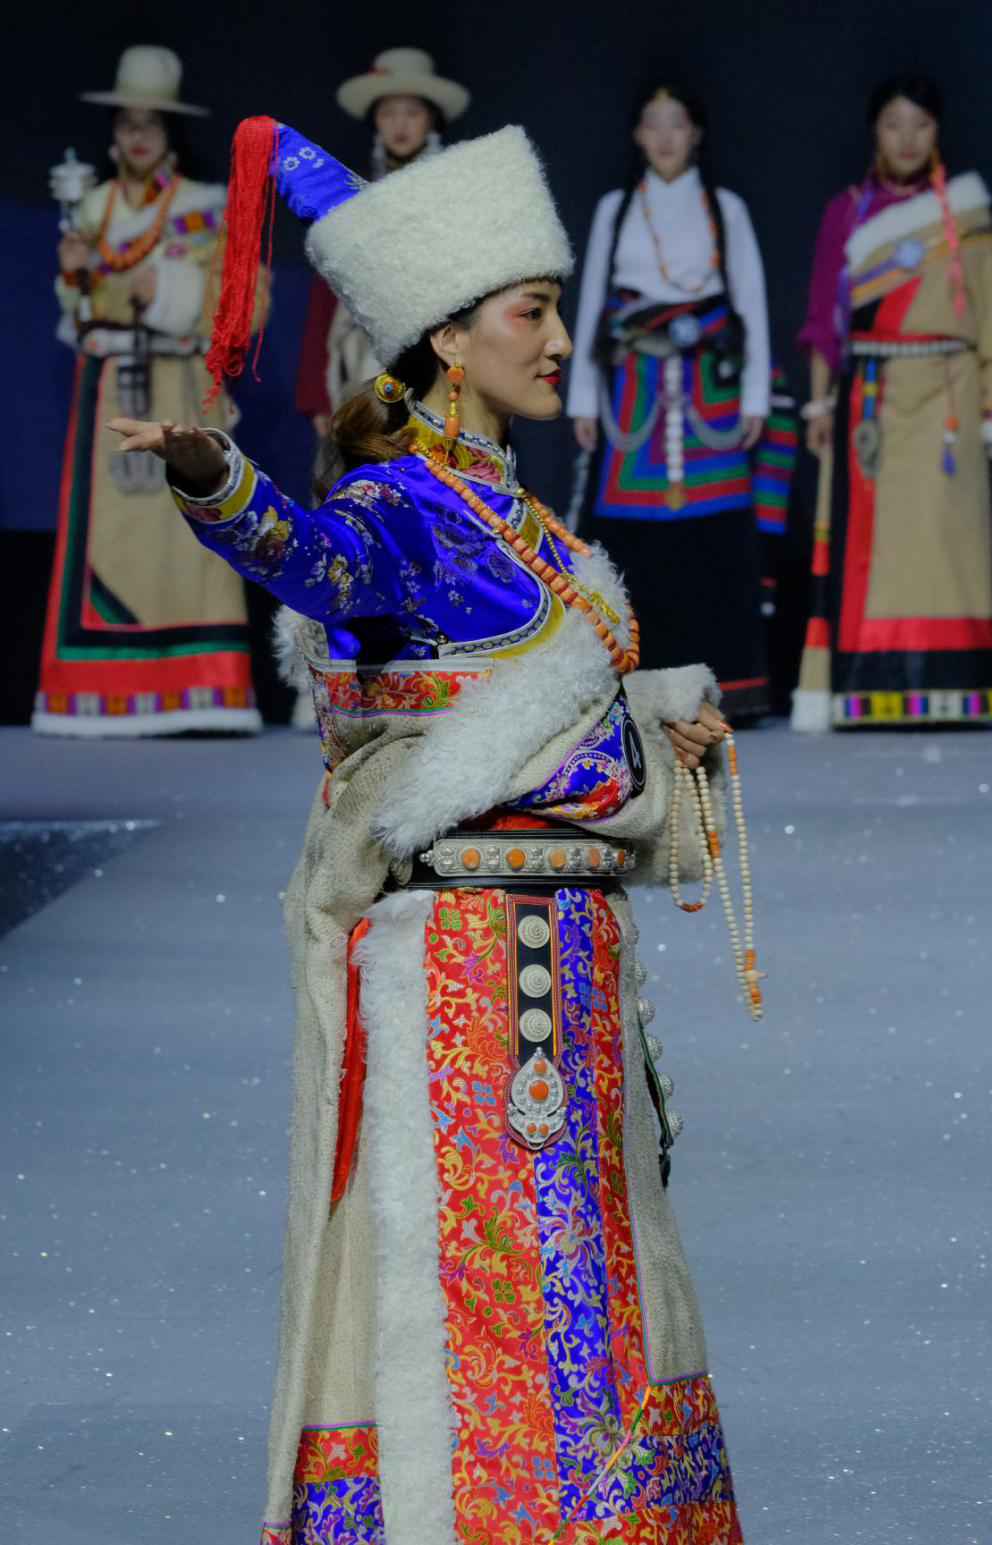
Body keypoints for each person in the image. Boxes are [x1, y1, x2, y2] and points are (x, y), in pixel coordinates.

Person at [110, 115, 746, 1543]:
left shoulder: (511, 507)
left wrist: (656, 718)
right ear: (447, 339)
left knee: (589, 1271)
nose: (558, 338)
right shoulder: (399, 502)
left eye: (557, 309)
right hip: (465, 967)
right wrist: (220, 486)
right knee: (486, 1287)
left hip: (568, 953)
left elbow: (529, 695)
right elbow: (319, 564)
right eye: (532, 312)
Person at [34, 45, 260, 737]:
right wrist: (75, 277)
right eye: (127, 122)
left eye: (151, 123)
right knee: (112, 534)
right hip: (110, 388)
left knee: (188, 530)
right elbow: (78, 313)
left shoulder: (204, 208)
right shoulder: (91, 209)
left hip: (181, 384)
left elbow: (246, 303)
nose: (137, 135)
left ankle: (202, 683)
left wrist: (167, 290)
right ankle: (105, 685)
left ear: (170, 133)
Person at [793, 74, 992, 731]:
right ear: (876, 130)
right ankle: (869, 686)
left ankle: (953, 686)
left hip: (949, 401)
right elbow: (823, 321)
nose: (907, 138)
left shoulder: (965, 217)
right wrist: (819, 405)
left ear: (936, 131)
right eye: (894, 124)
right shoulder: (847, 212)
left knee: (946, 545)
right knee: (874, 555)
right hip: (870, 402)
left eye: (920, 125)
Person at [568, 79, 792, 720]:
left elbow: (749, 301)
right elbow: (593, 306)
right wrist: (584, 398)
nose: (665, 137)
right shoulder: (617, 208)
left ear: (695, 134)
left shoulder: (724, 207)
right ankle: (636, 686)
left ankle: (731, 687)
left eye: (677, 123)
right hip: (633, 389)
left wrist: (755, 395)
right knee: (631, 538)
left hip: (709, 385)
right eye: (653, 123)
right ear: (638, 135)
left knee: (717, 535)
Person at [293, 48, 470, 438]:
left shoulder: (456, 188)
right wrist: (316, 395)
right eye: (388, 113)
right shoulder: (350, 193)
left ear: (432, 117)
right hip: (367, 360)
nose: (399, 125)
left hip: (442, 356)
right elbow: (325, 295)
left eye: (412, 112)